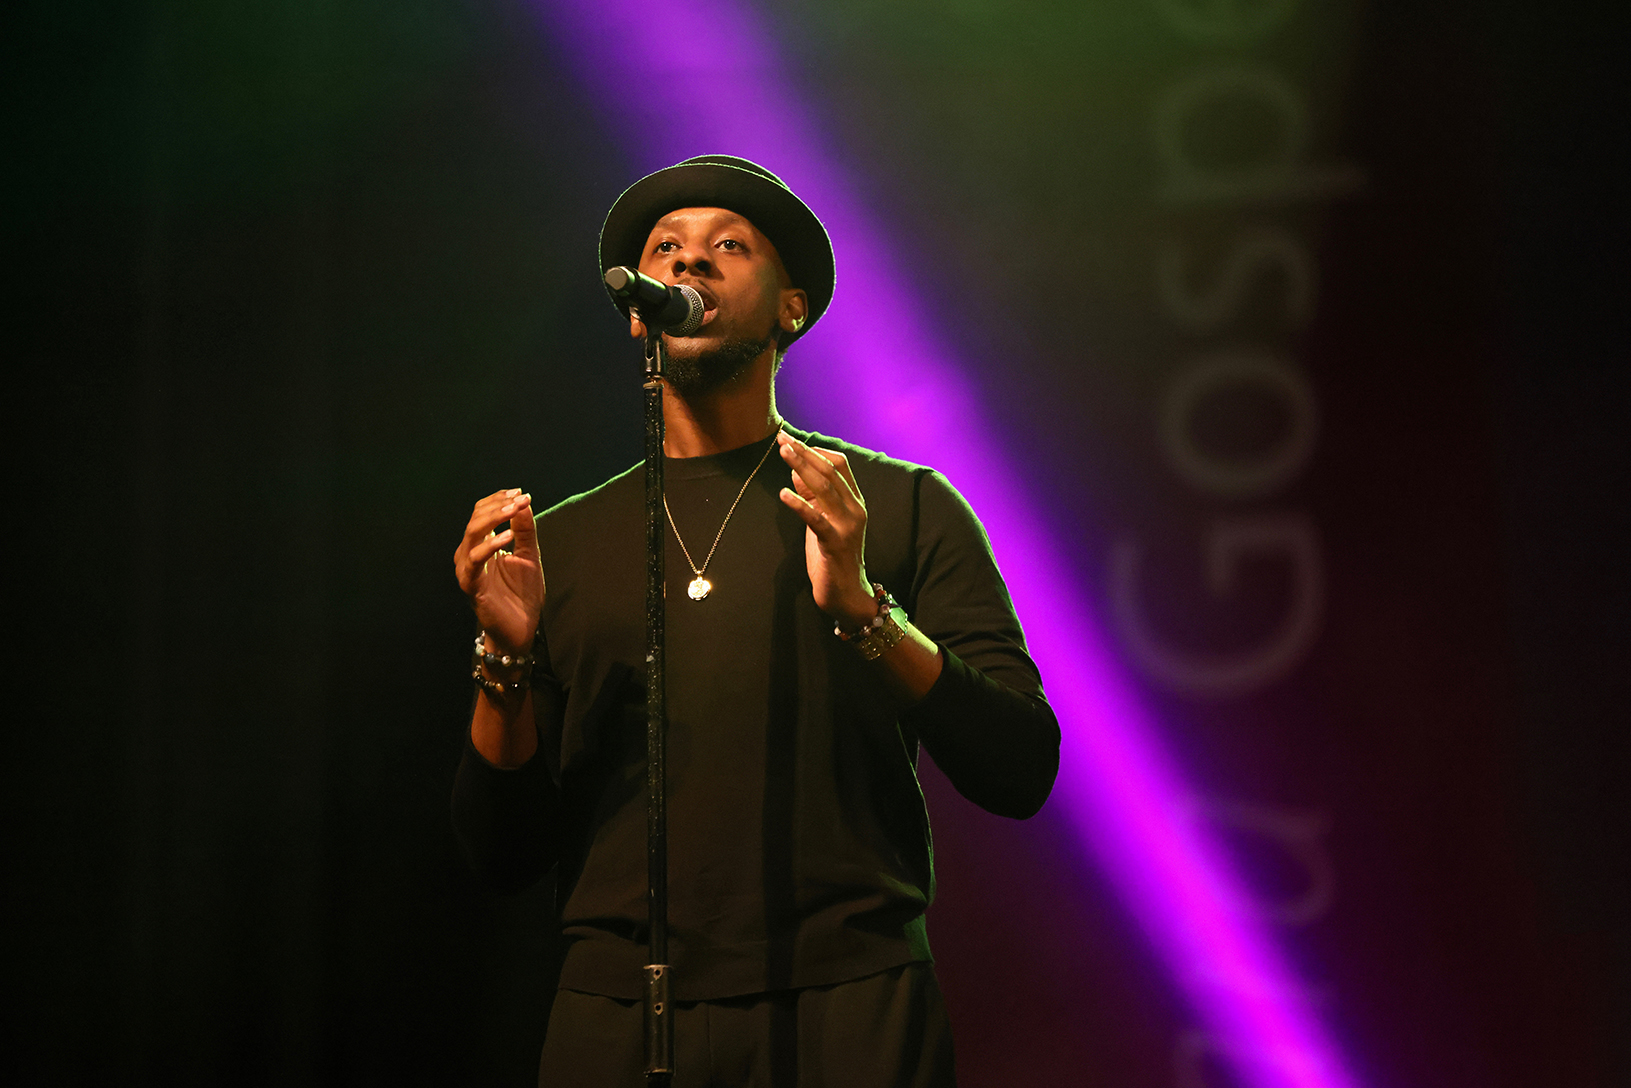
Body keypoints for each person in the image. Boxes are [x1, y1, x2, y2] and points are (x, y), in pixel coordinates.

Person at [451, 155, 1060, 1087]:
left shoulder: (894, 508)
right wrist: (501, 659)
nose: (689, 262)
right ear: (637, 310)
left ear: (791, 308)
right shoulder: (558, 545)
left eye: (728, 246)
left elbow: (1017, 767)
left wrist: (864, 611)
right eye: (665, 249)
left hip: (847, 1003)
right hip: (618, 1012)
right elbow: (502, 854)